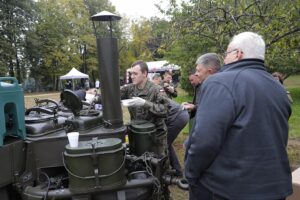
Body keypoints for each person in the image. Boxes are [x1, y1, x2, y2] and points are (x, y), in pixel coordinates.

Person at [185, 32, 292, 200]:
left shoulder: (219, 82)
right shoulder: (278, 88)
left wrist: (190, 173)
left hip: (228, 190)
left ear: (238, 53)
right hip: (275, 189)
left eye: (226, 54)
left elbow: (204, 141)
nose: (224, 60)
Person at [120, 60, 170, 157]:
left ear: (144, 74)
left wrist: (145, 103)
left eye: (135, 73)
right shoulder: (130, 88)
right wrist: (95, 96)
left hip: (155, 136)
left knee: (157, 164)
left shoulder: (156, 89)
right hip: (137, 132)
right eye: (131, 74)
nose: (132, 76)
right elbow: (114, 94)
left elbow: (166, 110)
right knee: (137, 161)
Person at [151, 74, 189, 176]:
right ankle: (176, 171)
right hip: (179, 115)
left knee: (163, 144)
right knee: (166, 142)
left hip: (178, 116)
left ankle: (172, 172)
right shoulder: (154, 89)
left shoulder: (155, 90)